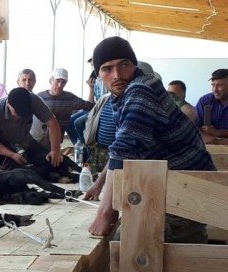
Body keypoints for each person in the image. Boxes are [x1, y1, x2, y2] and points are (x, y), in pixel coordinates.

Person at [87, 36, 214, 240]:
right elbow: (122, 146)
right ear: (99, 74)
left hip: (187, 194)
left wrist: (105, 213)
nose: (117, 75)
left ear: (134, 65)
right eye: (107, 69)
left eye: (124, 65)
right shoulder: (120, 96)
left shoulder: (141, 89)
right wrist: (99, 184)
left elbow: (125, 149)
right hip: (170, 187)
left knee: (125, 241)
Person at [0, 87, 64, 171]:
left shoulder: (33, 100)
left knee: (51, 164)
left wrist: (55, 150)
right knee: (15, 176)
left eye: (24, 113)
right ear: (8, 104)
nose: (20, 117)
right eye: (17, 113)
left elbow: (52, 123)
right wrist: (12, 155)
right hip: (0, 150)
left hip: (25, 143)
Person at [37, 68, 94, 144]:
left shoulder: (70, 98)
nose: (60, 85)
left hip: (56, 140)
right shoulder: (40, 97)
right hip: (39, 139)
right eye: (57, 81)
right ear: (51, 80)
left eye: (63, 82)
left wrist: (91, 89)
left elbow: (90, 106)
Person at [196, 69, 228, 144]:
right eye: (213, 85)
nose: (215, 90)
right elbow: (195, 126)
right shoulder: (205, 100)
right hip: (210, 142)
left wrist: (218, 133)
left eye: (220, 85)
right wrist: (206, 137)